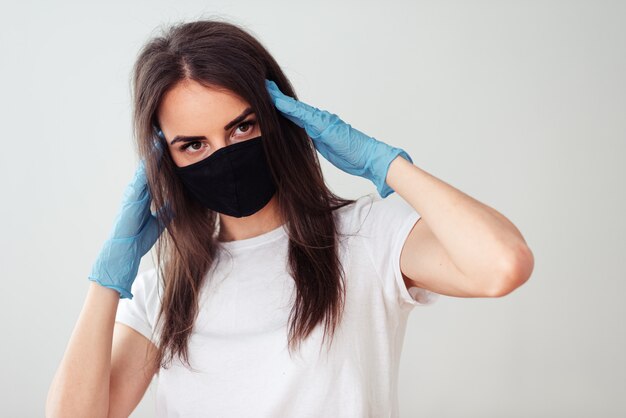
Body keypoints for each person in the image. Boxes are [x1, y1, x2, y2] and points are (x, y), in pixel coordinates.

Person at [46, 18, 533, 418]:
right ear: (165, 162)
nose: (223, 155)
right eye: (193, 144)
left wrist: (386, 165)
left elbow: (503, 265)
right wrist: (108, 280)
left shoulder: (365, 238)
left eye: (242, 126)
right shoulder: (166, 291)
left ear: (279, 118)